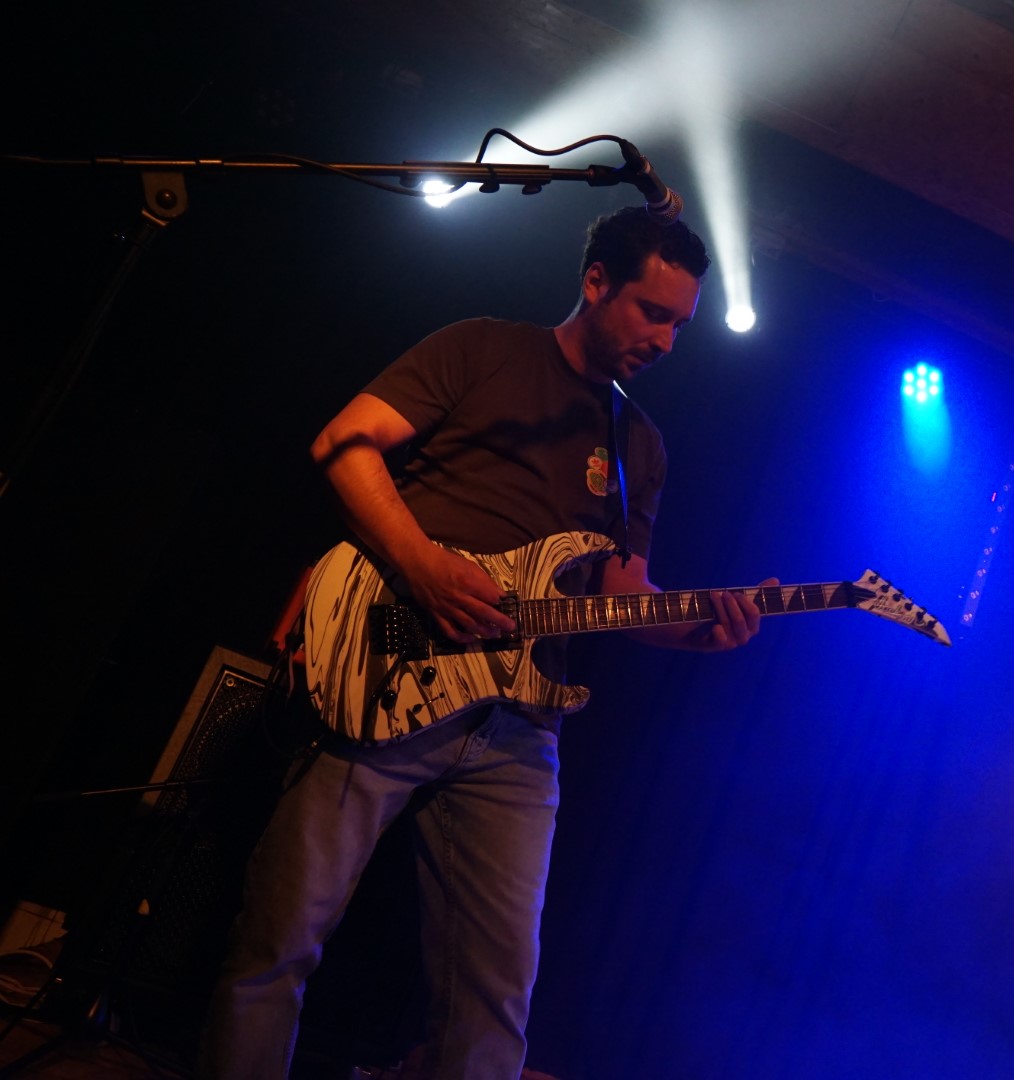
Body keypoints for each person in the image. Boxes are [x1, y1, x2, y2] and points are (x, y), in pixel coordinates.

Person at [199, 207, 770, 1079]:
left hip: (516, 730)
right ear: (596, 283)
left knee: (494, 995)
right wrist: (422, 564)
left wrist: (704, 630)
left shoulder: (639, 446)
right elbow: (344, 445)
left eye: (679, 326)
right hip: (389, 672)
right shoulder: (482, 349)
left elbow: (622, 597)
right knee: (280, 941)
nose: (664, 340)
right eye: (652, 313)